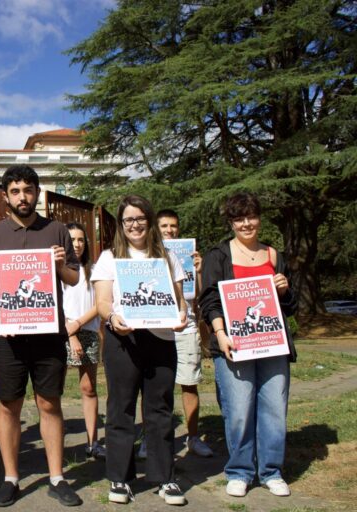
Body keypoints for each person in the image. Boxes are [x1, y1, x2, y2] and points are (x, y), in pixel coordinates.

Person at [0, 164, 82, 508]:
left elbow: (74, 279)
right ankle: (10, 478)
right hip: (6, 335)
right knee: (8, 405)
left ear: (37, 193)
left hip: (48, 332)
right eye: (16, 191)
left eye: (28, 190)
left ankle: (57, 477)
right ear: (6, 196)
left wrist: (61, 265)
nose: (23, 196)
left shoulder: (58, 230)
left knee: (49, 403)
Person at [91, 195, 188, 506]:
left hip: (161, 339)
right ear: (121, 225)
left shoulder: (167, 257)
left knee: (159, 409)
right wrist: (112, 318)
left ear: (149, 220)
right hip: (124, 340)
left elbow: (180, 300)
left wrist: (183, 315)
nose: (134, 224)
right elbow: (103, 301)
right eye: (128, 219)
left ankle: (164, 477)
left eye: (140, 218)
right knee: (121, 407)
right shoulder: (109, 257)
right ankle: (119, 478)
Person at [199, 192, 297, 498]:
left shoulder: (274, 255)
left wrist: (284, 289)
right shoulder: (219, 255)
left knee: (273, 409)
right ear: (231, 222)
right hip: (234, 345)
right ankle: (240, 470)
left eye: (251, 216)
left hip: (272, 345)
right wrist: (220, 334)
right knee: (239, 410)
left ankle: (270, 471)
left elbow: (291, 306)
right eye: (239, 218)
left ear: (259, 218)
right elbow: (209, 301)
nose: (246, 223)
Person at [156, 209, 213, 458]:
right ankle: (153, 438)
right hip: (157, 328)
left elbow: (197, 295)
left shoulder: (187, 253)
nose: (169, 230)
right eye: (165, 226)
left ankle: (192, 437)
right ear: (156, 229)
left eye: (173, 226)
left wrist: (199, 271)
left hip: (187, 325)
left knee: (189, 384)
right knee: (155, 388)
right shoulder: (150, 254)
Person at [62, 223, 105, 460]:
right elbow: (56, 303)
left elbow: (100, 303)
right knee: (53, 389)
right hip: (62, 332)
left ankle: (93, 442)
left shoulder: (94, 269)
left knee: (89, 387)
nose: (77, 244)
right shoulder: (59, 268)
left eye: (81, 239)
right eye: (72, 239)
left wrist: (78, 326)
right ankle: (57, 443)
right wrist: (70, 334)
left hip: (86, 330)